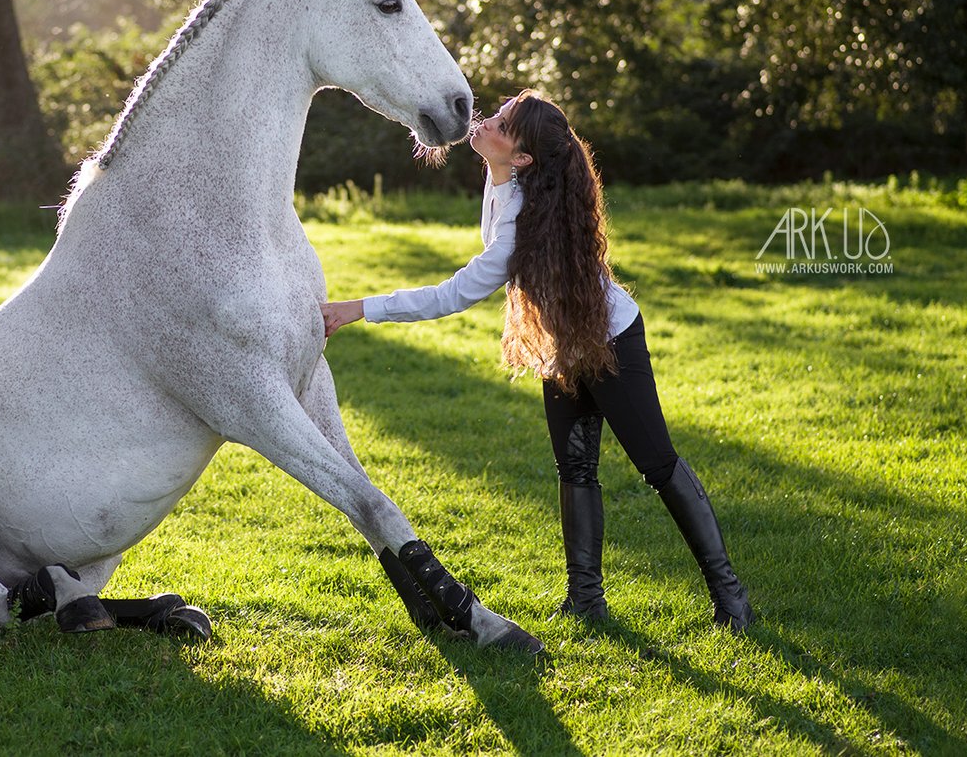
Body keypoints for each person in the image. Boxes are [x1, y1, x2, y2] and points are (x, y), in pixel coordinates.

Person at [321, 90, 752, 631]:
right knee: (574, 468)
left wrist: (357, 308)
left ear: (522, 157)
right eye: (498, 115)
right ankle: (586, 599)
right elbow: (492, 230)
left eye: (501, 124)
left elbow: (453, 293)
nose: (487, 122)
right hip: (565, 344)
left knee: (657, 465)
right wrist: (493, 166)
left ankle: (731, 597)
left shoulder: (521, 223)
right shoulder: (516, 183)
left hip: (612, 340)